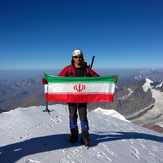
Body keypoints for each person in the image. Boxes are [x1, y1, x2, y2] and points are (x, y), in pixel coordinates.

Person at [58, 49, 99, 146]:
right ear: (72, 58)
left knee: (83, 116)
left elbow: (98, 79)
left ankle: (85, 137)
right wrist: (48, 81)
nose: (78, 59)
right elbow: (58, 80)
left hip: (83, 97)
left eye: (80, 57)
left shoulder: (87, 70)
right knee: (72, 116)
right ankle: (74, 135)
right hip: (71, 97)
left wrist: (111, 80)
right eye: (76, 57)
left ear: (82, 58)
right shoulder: (67, 69)